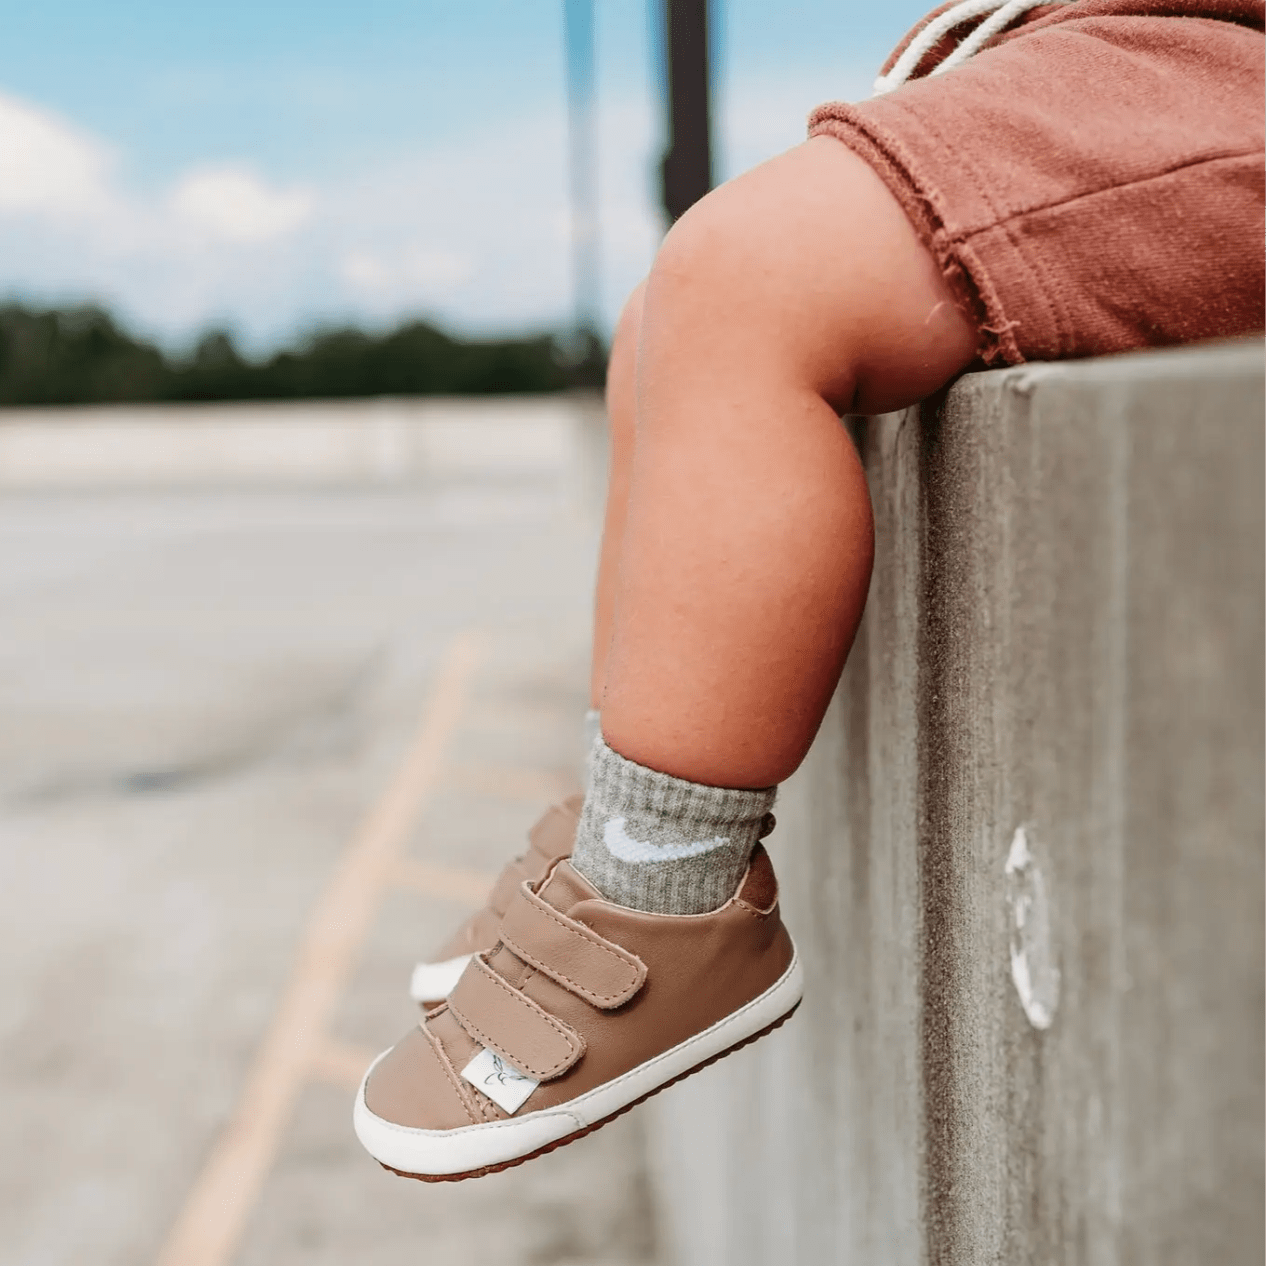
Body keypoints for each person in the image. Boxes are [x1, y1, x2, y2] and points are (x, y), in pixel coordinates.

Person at [355, 0, 1265, 1181]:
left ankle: (663, 886)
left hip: (1217, 58)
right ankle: (619, 816)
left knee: (745, 279)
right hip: (1107, 47)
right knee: (669, 312)